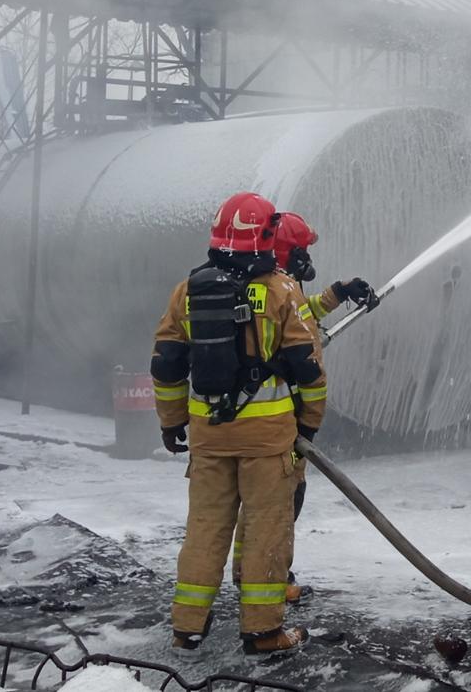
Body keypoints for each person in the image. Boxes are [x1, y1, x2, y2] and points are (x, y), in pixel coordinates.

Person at [152, 192, 325, 654]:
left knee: (205, 527)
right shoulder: (281, 291)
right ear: (265, 235)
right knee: (267, 530)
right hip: (268, 443)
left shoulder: (188, 291)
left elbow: (166, 363)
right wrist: (308, 427)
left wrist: (172, 422)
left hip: (208, 438)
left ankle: (187, 626)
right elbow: (308, 368)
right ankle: (264, 633)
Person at [227, 211, 376, 604]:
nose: (307, 258)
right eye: (301, 250)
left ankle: (247, 573)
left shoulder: (270, 287)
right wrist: (309, 424)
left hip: (261, 418)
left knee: (259, 504)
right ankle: (271, 579)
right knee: (281, 503)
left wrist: (340, 292)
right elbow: (297, 336)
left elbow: (302, 314)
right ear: (285, 251)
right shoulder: (275, 289)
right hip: (277, 420)